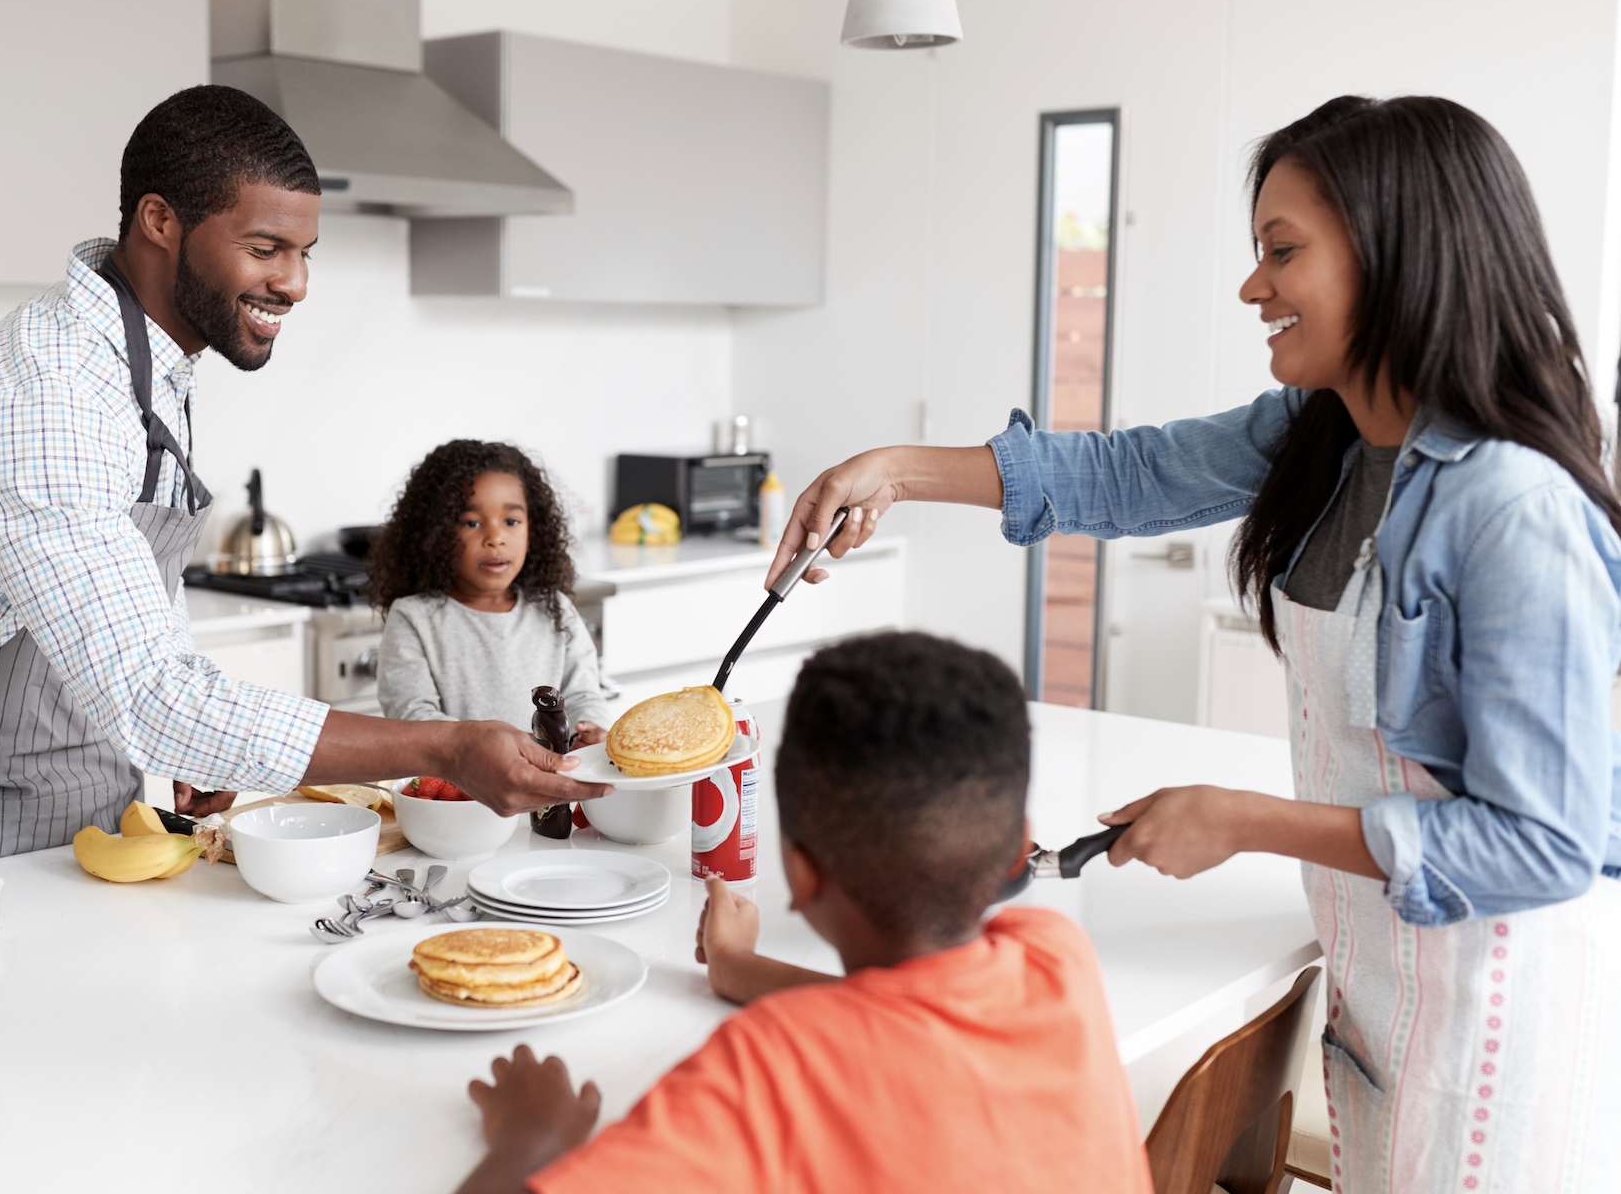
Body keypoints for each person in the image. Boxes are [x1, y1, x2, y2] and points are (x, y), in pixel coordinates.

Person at [771, 95, 1621, 1189]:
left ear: (1396, 252)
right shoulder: (1329, 439)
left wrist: (1243, 820)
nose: (1252, 286)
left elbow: (1545, 845)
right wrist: (892, 467)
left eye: (1282, 251)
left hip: (1491, 1013)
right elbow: (1126, 475)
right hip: (1375, 975)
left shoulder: (1514, 508)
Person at [0, 86, 603, 892]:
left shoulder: (150, 364)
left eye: (305, 253)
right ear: (161, 222)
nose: (295, 283)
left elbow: (134, 604)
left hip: (90, 811)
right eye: (266, 248)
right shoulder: (48, 390)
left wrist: (195, 748)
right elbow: (151, 694)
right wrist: (444, 746)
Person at [448, 632, 1152, 1194]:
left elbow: (877, 1024)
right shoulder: (1058, 956)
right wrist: (739, 967)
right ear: (1017, 856)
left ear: (800, 870)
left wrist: (529, 1140)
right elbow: (919, 1018)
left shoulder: (769, 1066)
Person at [370, 440, 609, 744]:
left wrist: (591, 731)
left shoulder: (554, 608)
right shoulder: (413, 618)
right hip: (460, 790)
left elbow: (584, 695)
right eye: (472, 522)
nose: (495, 538)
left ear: (531, 529)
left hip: (556, 785)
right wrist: (503, 746)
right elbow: (413, 716)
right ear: (436, 533)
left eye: (511, 521)